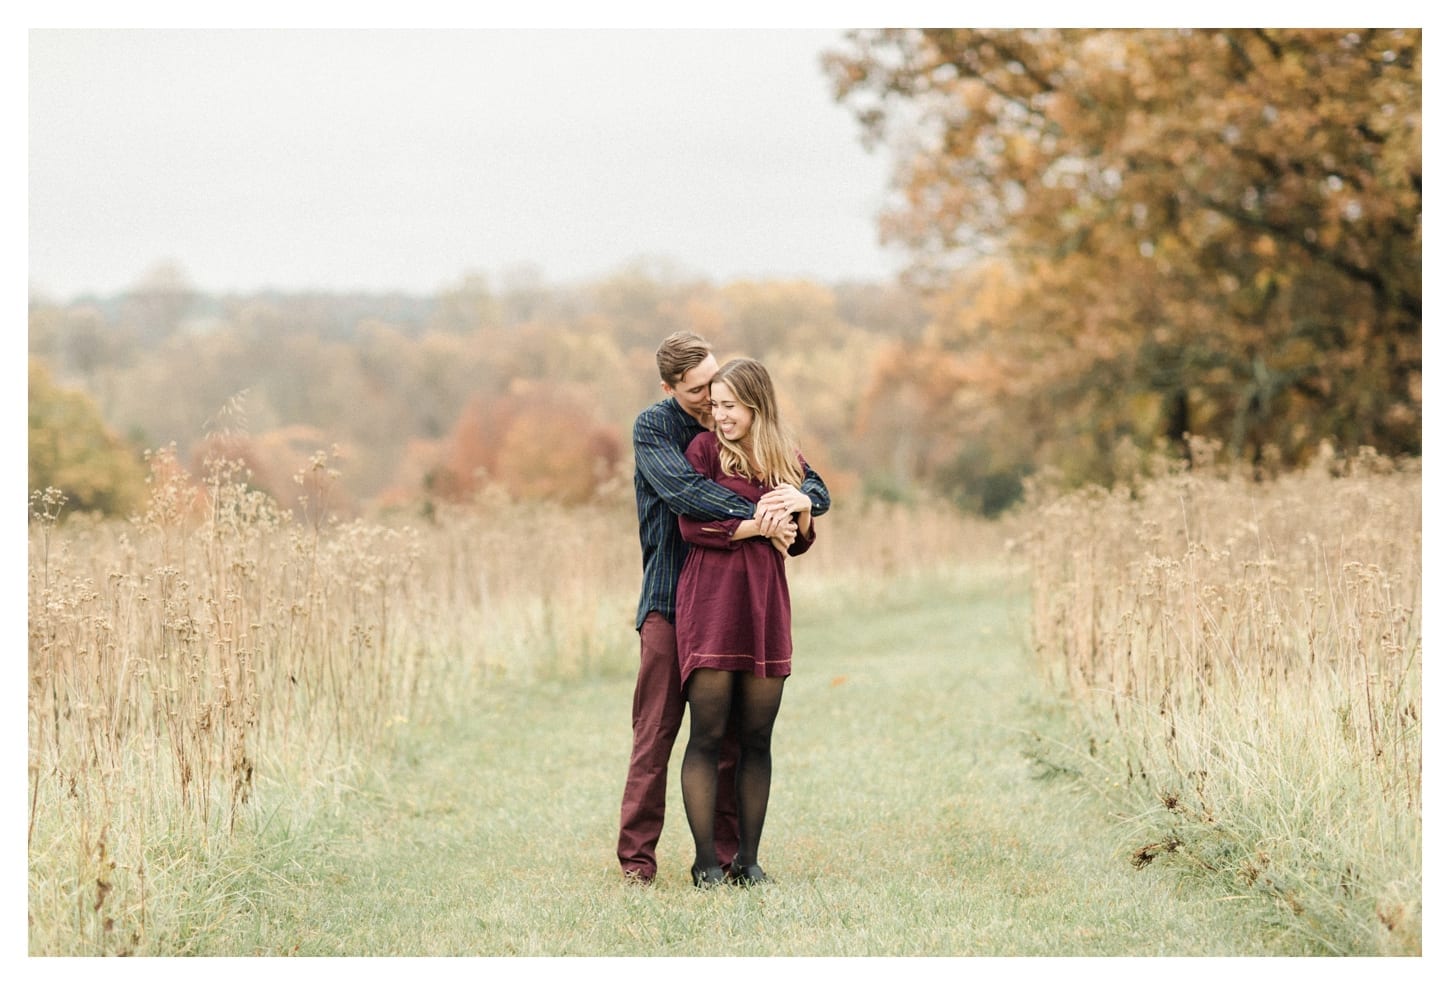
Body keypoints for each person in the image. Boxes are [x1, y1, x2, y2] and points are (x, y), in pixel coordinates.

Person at [618, 333, 830, 886]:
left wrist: (801, 503)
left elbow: (813, 488)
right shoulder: (661, 430)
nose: (712, 398)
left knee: (742, 737)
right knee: (658, 733)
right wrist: (764, 517)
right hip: (674, 595)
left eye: (719, 387)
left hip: (752, 602)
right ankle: (638, 864)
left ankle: (737, 856)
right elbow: (688, 498)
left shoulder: (760, 439)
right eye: (701, 393)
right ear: (671, 389)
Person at [674, 357, 818, 888]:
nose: (720, 415)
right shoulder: (703, 451)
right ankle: (706, 861)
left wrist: (801, 510)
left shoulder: (783, 456)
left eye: (729, 406)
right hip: (712, 602)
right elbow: (692, 525)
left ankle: (747, 861)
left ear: (756, 404)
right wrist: (757, 525)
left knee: (758, 738)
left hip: (765, 605)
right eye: (715, 406)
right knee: (708, 736)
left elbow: (799, 542)